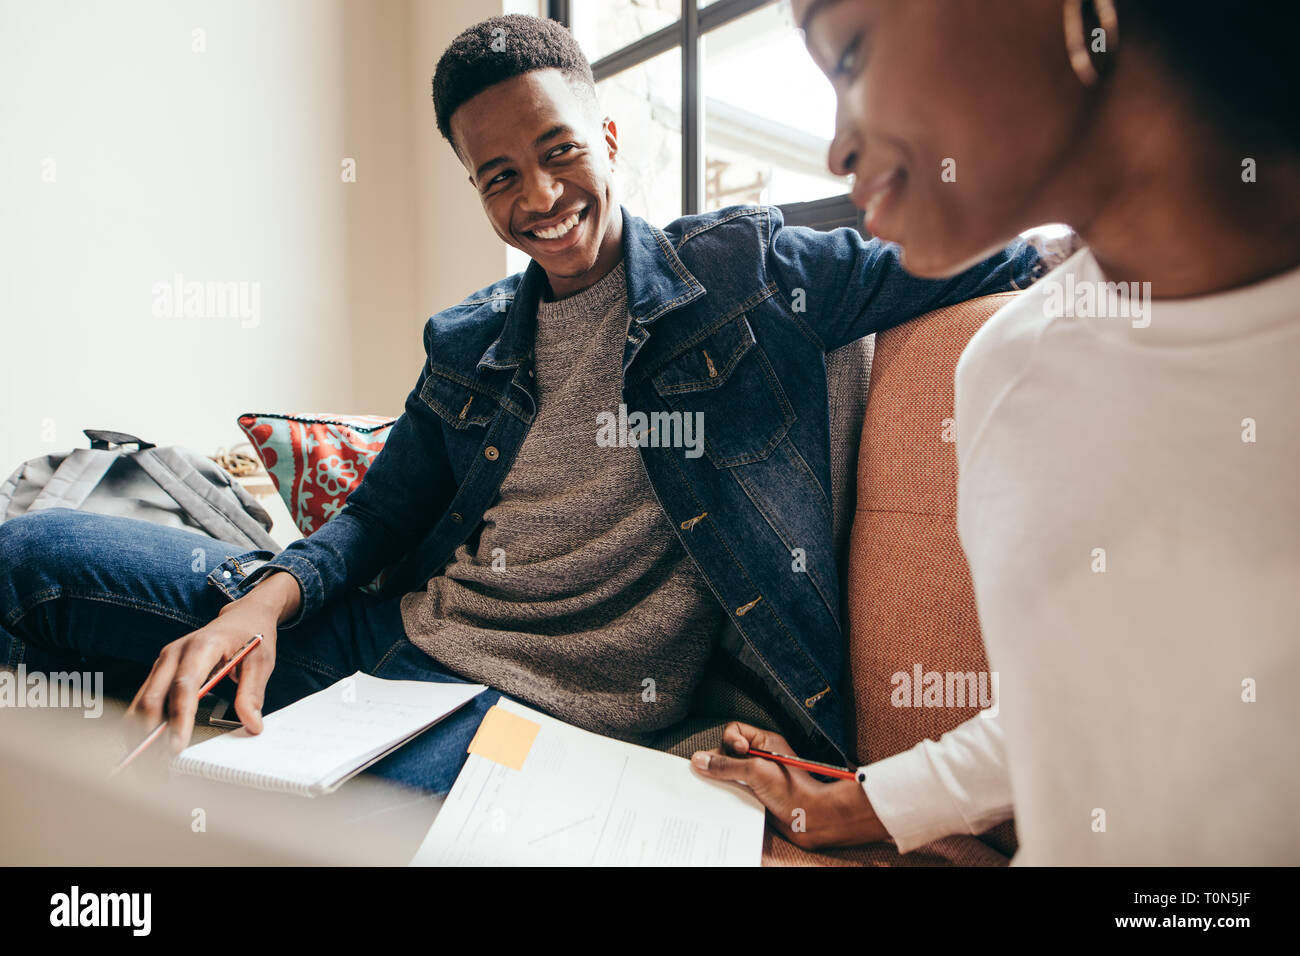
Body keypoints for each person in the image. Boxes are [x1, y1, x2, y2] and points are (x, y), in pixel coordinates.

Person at [0, 14, 1039, 797]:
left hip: (531, 721)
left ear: (610, 134)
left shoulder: (746, 270)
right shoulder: (470, 339)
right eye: (498, 176)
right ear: (473, 185)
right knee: (31, 555)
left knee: (321, 832)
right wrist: (256, 605)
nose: (537, 197)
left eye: (558, 151)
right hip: (388, 645)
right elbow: (378, 516)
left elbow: (983, 253)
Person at [691, 0, 1300, 864]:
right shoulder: (1006, 368)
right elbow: (1072, 707)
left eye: (853, 55)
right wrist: (851, 807)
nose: (837, 148)